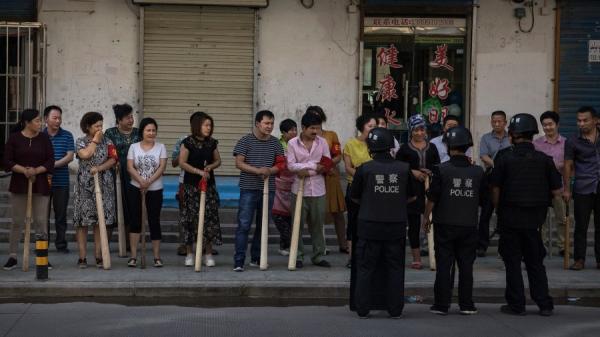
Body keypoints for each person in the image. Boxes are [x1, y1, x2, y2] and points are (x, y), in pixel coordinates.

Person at [491, 113, 560, 317]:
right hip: (535, 220)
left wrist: (498, 208)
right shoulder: (545, 160)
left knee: (512, 262)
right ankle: (544, 304)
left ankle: (516, 304)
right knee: (535, 262)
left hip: (510, 218)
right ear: (532, 135)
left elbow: (495, 189)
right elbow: (556, 192)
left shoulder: (504, 158)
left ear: (511, 135)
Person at [350, 127, 415, 319]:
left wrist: (372, 201)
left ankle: (362, 308)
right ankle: (395, 309)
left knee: (365, 267)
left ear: (370, 147)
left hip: (369, 226)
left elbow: (354, 197)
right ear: (390, 147)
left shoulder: (364, 169)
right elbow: (411, 197)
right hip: (395, 226)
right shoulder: (404, 168)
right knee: (395, 268)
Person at [423, 126, 486, 316]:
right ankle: (466, 304)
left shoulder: (441, 170)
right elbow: (483, 200)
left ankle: (442, 305)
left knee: (444, 265)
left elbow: (432, 198)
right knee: (466, 266)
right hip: (468, 225)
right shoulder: (478, 172)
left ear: (449, 147)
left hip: (445, 224)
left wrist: (426, 218)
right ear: (467, 146)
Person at [232, 110, 285, 271]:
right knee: (244, 224)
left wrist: (270, 170)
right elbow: (239, 163)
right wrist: (258, 171)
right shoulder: (245, 140)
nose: (269, 126)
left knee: (263, 225)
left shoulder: (276, 143)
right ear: (257, 123)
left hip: (268, 189)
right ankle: (239, 260)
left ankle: (256, 258)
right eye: (266, 123)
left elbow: (281, 164)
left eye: (271, 123)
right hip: (248, 188)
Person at [3, 109, 55, 271]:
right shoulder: (14, 139)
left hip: (40, 184)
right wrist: (23, 170)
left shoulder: (44, 138)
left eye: (40, 120)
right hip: (19, 184)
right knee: (17, 221)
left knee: (40, 222)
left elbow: (50, 160)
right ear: (27, 123)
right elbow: (7, 160)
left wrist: (36, 171)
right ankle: (13, 256)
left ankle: (42, 256)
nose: (40, 123)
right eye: (37, 120)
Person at [287, 112, 332, 268]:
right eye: (312, 128)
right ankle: (297, 256)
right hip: (298, 190)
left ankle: (318, 256)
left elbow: (326, 164)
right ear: (304, 128)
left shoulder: (323, 142)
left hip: (318, 190)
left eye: (318, 128)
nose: (315, 132)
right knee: (297, 225)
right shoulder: (292, 143)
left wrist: (307, 170)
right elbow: (291, 166)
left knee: (317, 224)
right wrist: (314, 166)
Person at [73, 112, 117, 268]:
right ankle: (82, 257)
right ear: (87, 127)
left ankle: (99, 255)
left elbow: (113, 159)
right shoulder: (80, 142)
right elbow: (85, 155)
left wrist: (100, 167)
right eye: (96, 126)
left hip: (104, 183)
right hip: (84, 184)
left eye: (101, 125)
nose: (100, 128)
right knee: (83, 222)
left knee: (100, 221)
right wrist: (95, 141)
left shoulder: (109, 141)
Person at [178, 112, 223, 267]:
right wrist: (198, 172)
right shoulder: (187, 142)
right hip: (191, 186)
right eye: (205, 125)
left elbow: (218, 160)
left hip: (209, 187)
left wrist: (210, 167)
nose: (208, 128)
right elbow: (182, 162)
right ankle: (189, 253)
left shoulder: (212, 143)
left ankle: (208, 254)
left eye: (210, 125)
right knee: (190, 220)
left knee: (209, 220)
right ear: (197, 126)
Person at [396, 114, 440, 270]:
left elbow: (438, 167)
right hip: (412, 190)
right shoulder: (404, 149)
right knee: (414, 224)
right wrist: (413, 171)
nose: (420, 133)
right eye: (416, 130)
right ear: (411, 131)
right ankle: (416, 258)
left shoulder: (432, 147)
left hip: (430, 189)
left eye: (422, 129)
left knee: (433, 221)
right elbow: (399, 168)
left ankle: (434, 255)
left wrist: (431, 172)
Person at [126, 118, 167, 268]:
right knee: (135, 221)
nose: (151, 133)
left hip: (155, 188)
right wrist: (141, 181)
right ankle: (133, 256)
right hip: (135, 188)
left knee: (154, 221)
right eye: (148, 130)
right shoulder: (133, 147)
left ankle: (157, 257)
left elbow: (162, 167)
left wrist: (148, 182)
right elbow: (130, 167)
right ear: (142, 131)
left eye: (153, 130)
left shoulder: (161, 147)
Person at [307, 106, 348, 254]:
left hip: (330, 176)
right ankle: (319, 246)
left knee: (337, 212)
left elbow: (338, 155)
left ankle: (343, 244)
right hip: (312, 177)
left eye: (317, 116)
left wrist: (326, 165)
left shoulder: (331, 135)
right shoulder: (303, 138)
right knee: (315, 213)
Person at [564, 106, 600, 270]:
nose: (581, 123)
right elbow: (568, 165)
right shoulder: (572, 141)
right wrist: (566, 189)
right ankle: (579, 259)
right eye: (578, 120)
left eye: (585, 120)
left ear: (595, 120)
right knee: (581, 226)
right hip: (582, 188)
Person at [343, 114, 377, 268]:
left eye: (375, 127)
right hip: (355, 188)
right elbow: (348, 168)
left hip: (374, 189)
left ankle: (370, 255)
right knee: (353, 222)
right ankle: (352, 256)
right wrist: (363, 177)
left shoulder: (377, 144)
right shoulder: (351, 144)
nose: (373, 130)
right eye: (370, 126)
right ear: (362, 127)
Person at [477, 110, 511, 257]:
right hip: (490, 180)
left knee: (505, 214)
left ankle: (504, 247)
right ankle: (482, 246)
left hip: (508, 181)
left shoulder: (511, 137)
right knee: (485, 214)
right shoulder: (486, 138)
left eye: (499, 121)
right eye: (494, 121)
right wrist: (498, 164)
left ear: (505, 122)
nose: (496, 124)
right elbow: (483, 156)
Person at [104, 103, 140, 243]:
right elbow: (108, 151)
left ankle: (129, 244)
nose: (131, 120)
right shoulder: (110, 133)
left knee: (131, 207)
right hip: (115, 174)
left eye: (132, 117)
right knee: (114, 206)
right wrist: (114, 162)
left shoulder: (138, 133)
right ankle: (105, 245)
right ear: (119, 120)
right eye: (127, 118)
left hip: (133, 174)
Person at [533, 111, 566, 256]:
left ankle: (563, 245)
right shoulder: (536, 144)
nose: (548, 127)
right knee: (541, 220)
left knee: (562, 218)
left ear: (557, 124)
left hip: (560, 187)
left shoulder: (566, 143)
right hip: (541, 187)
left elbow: (570, 166)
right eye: (545, 125)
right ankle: (542, 245)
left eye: (550, 124)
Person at [43, 105, 75, 253]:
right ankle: (42, 245)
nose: (58, 121)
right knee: (42, 216)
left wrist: (50, 165)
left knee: (60, 215)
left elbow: (69, 156)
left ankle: (61, 244)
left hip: (61, 181)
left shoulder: (67, 135)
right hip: (41, 182)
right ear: (46, 120)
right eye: (54, 118)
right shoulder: (39, 136)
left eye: (59, 118)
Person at [272, 118, 297, 256]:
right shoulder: (277, 144)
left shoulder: (300, 144)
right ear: (283, 133)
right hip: (279, 185)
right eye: (291, 130)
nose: (294, 133)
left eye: (295, 130)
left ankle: (285, 246)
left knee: (291, 218)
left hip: (294, 183)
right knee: (279, 218)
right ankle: (286, 244)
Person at [171, 133, 190, 257]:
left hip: (203, 182)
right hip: (185, 182)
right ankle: (183, 244)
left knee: (205, 214)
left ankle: (205, 245)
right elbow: (174, 162)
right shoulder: (183, 140)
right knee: (184, 214)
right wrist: (184, 152)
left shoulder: (209, 141)